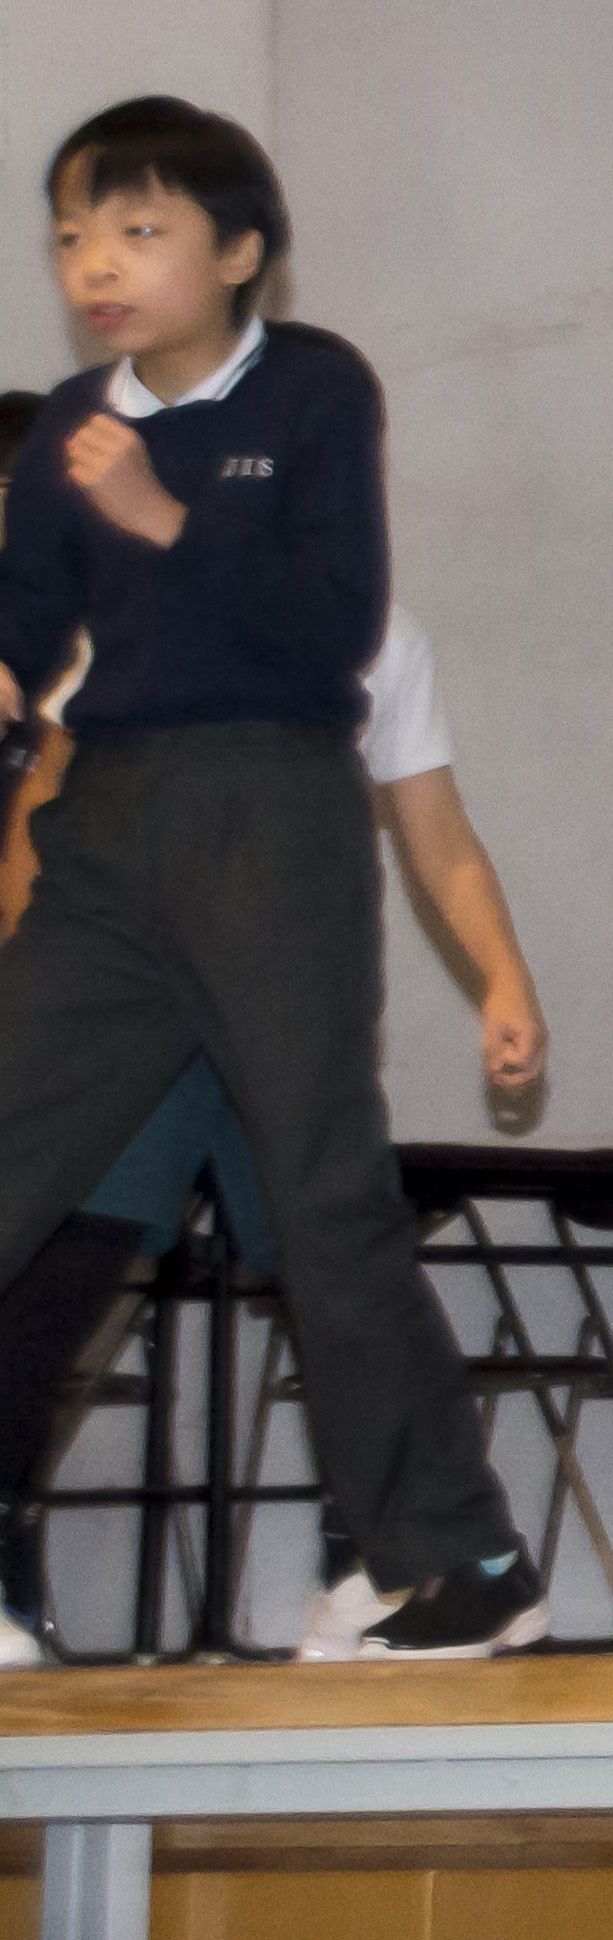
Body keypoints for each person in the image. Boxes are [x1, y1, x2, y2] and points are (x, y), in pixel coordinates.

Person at [0, 98, 542, 1658]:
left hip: (270, 798)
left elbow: (333, 619)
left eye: (139, 230)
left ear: (240, 252)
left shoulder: (310, 387)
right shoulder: (66, 422)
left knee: (319, 1187)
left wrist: (167, 518)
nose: (98, 265)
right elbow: (27, 623)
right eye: (73, 238)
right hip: (109, 820)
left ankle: (462, 1561)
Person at [0, 602, 549, 1662]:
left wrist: (504, 975)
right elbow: (47, 793)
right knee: (61, 1248)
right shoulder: (141, 605)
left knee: (337, 1250)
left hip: (269, 988)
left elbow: (437, 831)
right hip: (131, 991)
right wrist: (39, 972)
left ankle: (434, 1559)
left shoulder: (381, 632)